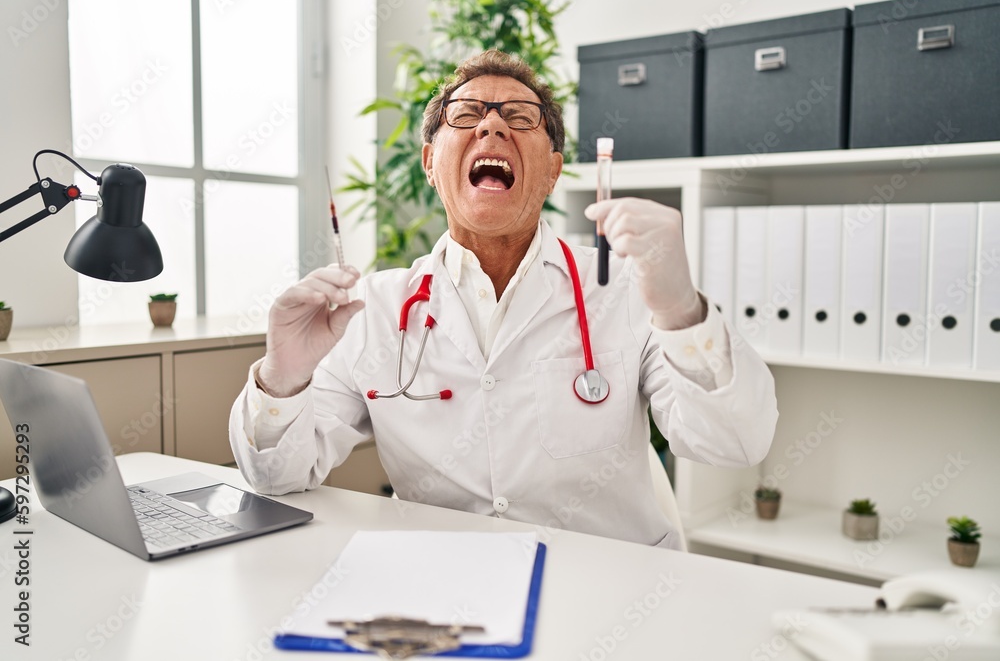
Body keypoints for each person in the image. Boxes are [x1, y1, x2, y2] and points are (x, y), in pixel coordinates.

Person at [229, 49, 777, 550]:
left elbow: (735, 443)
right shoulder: (371, 309)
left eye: (520, 117)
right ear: (429, 162)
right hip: (442, 598)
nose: (492, 124)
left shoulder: (626, 289)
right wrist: (285, 375)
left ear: (553, 171)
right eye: (466, 115)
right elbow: (278, 479)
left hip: (607, 596)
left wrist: (683, 311)